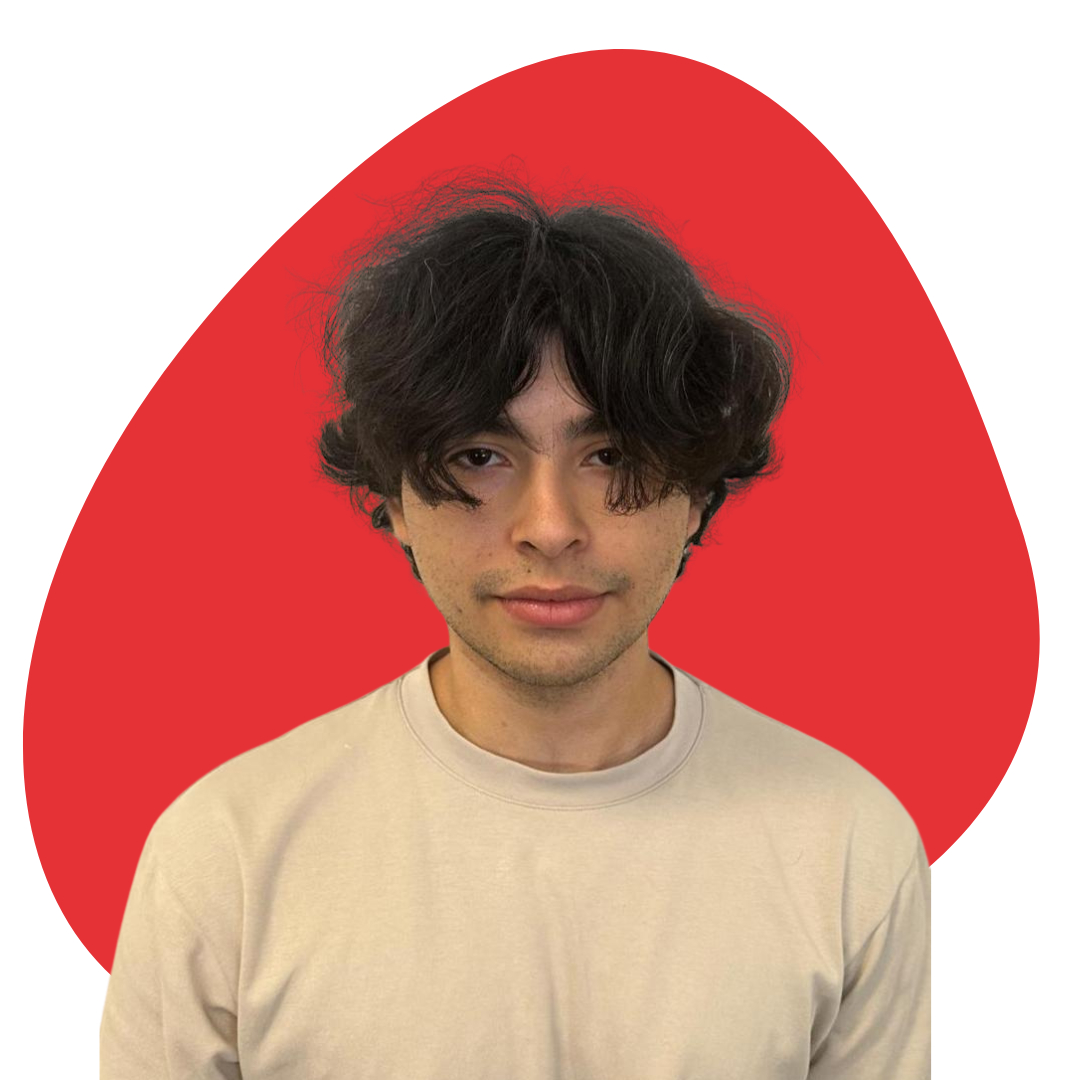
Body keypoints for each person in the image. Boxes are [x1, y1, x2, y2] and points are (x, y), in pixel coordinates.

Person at [100, 173, 930, 1079]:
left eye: (610, 453)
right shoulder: (228, 853)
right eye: (480, 455)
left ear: (698, 496)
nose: (549, 524)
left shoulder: (846, 840)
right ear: (396, 500)